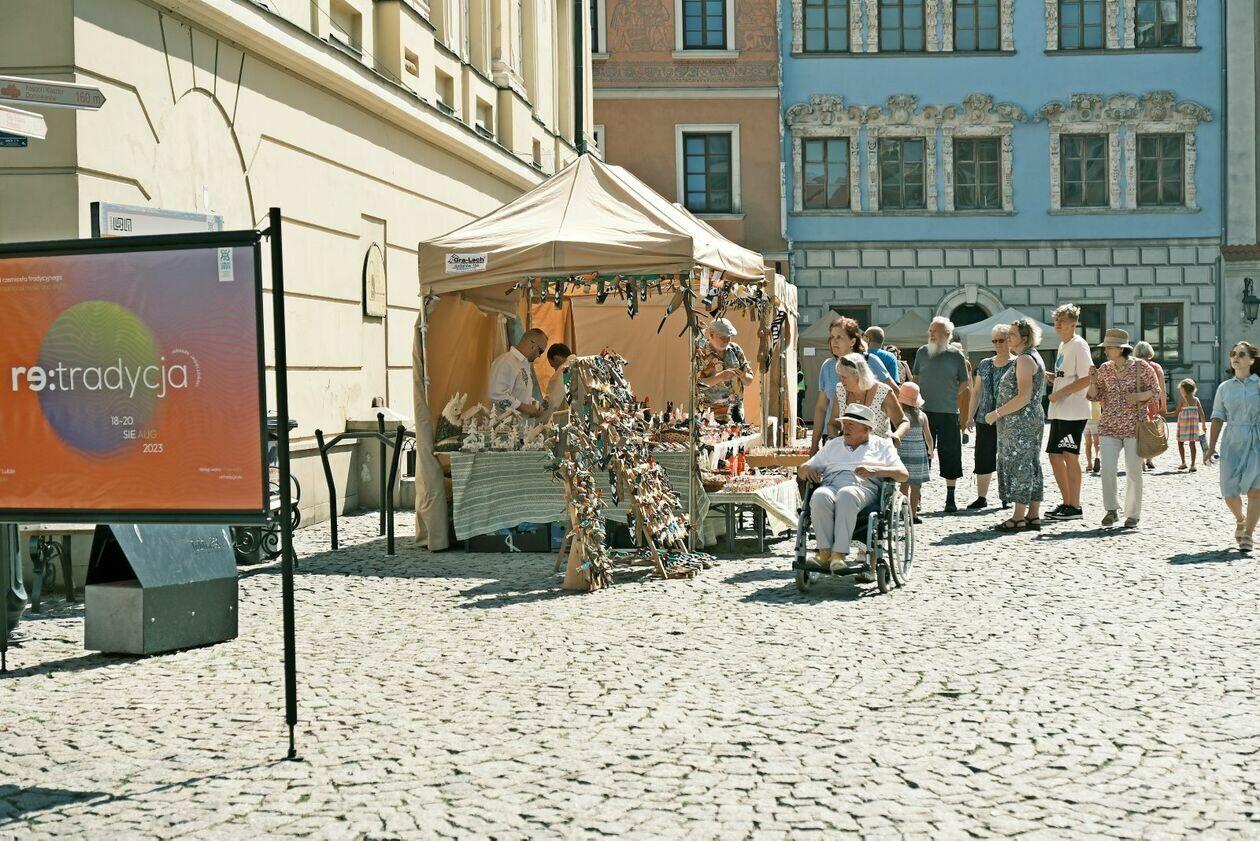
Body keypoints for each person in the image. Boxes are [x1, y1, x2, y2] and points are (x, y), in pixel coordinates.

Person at [798, 403, 908, 573]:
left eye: (851, 424)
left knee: (847, 494)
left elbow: (903, 474)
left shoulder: (882, 445)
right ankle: (824, 553)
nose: (845, 428)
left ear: (866, 429)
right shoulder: (833, 444)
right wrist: (807, 469)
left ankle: (839, 554)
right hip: (832, 483)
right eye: (844, 423)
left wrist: (876, 471)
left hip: (864, 486)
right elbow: (802, 469)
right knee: (820, 495)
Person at [1088, 329, 1159, 529]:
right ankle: (1111, 510)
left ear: (1121, 349)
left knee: (1133, 471)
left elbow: (1155, 391)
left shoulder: (1141, 367)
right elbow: (1094, 396)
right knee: (1107, 468)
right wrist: (1092, 380)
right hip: (1109, 425)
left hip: (1134, 426)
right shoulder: (1104, 368)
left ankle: (1133, 515)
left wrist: (1137, 397)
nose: (1105, 351)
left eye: (1109, 348)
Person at [986, 319, 1047, 532]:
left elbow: (1023, 396)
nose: (1008, 337)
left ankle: (1018, 517)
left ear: (1024, 338)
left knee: (1021, 464)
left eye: (1012, 334)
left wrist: (996, 413)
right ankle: (1032, 515)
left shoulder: (1024, 359)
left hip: (1020, 422)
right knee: (1030, 463)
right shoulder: (1032, 356)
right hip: (1027, 419)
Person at [1205, 342, 1260, 551]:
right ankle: (1240, 518)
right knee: (1229, 491)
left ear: (1251, 360)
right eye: (1233, 353)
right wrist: (1211, 447)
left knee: (1256, 490)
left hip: (1257, 439)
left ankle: (1248, 535)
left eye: (1241, 354)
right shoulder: (1224, 388)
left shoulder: (1259, 384)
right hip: (1232, 441)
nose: (1236, 357)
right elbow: (1217, 417)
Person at [912, 317, 970, 512]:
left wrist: (952, 395)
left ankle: (950, 498)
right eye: (930, 330)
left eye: (935, 331)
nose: (931, 334)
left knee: (951, 454)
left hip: (948, 412)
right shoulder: (922, 352)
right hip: (924, 412)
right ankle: (917, 498)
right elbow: (916, 378)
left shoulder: (956, 356)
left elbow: (964, 382)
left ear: (946, 334)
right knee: (921, 455)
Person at [1044, 304, 1094, 522]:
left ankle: (1075, 505)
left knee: (1069, 456)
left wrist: (1060, 393)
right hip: (1060, 410)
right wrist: (1052, 378)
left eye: (1062, 321)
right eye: (1056, 320)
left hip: (1074, 411)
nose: (1057, 325)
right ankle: (1066, 503)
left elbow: (1087, 378)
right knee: (1054, 456)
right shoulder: (1063, 345)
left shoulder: (1079, 345)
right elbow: (1068, 376)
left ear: (1073, 324)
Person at [810, 316, 876, 454]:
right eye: (832, 337)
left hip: (867, 441)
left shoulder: (870, 362)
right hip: (833, 437)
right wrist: (814, 444)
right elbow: (821, 408)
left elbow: (892, 392)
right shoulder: (827, 366)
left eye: (839, 337)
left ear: (852, 341)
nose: (834, 341)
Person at [966, 324, 1013, 509]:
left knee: (1006, 457)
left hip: (1008, 418)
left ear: (1009, 340)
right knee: (983, 457)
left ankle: (1007, 495)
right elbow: (976, 392)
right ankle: (981, 497)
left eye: (1001, 340)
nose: (998, 344)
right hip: (984, 419)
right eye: (995, 341)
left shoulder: (1017, 363)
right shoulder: (984, 364)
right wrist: (970, 416)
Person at [828, 353, 910, 442]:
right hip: (849, 448)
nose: (840, 380)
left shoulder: (883, 392)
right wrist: (835, 442)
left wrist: (896, 437)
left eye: (844, 377)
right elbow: (833, 424)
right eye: (840, 376)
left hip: (879, 448)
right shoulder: (840, 389)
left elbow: (903, 422)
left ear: (858, 375)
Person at [696, 318, 753, 422]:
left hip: (736, 414)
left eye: (729, 337)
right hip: (710, 417)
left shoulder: (735, 350)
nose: (726, 341)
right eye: (722, 337)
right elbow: (697, 385)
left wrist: (743, 376)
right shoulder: (701, 353)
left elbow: (749, 380)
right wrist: (720, 377)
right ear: (711, 335)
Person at [896, 382, 933, 523]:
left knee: (904, 484)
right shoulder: (922, 416)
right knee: (916, 486)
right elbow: (928, 437)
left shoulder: (900, 416)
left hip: (902, 452)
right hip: (918, 453)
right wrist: (930, 450)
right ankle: (913, 514)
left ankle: (903, 511)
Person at [489, 327, 547, 417]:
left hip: (520, 424)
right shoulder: (506, 361)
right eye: (541, 351)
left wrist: (534, 405)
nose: (539, 355)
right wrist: (526, 408)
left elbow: (519, 395)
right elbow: (496, 395)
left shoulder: (523, 365)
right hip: (504, 425)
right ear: (533, 345)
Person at [1133, 341, 1167, 471]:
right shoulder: (1156, 367)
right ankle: (1149, 459)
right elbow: (1162, 389)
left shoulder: (1133, 366)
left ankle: (1141, 461)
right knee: (1152, 430)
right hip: (1153, 403)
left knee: (1139, 431)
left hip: (1138, 403)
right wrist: (1163, 406)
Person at [1174, 378, 1205, 471]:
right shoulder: (1196, 400)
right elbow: (1202, 414)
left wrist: (1165, 414)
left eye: (1181, 389)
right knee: (1192, 444)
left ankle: (1183, 462)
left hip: (1183, 425)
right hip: (1193, 426)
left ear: (1185, 390)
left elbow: (1176, 413)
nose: (1180, 391)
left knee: (1180, 443)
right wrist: (1203, 425)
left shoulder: (1182, 399)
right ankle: (1193, 465)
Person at [539, 342, 573, 424]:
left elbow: (551, 402)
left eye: (553, 366)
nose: (555, 370)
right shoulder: (583, 363)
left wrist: (536, 421)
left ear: (556, 358)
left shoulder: (562, 371)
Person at [1085, 398, 1103, 474]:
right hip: (1096, 420)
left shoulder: (1084, 394)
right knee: (1097, 443)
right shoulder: (1098, 394)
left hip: (1085, 421)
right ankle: (1097, 457)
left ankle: (1089, 464)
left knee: (1088, 444)